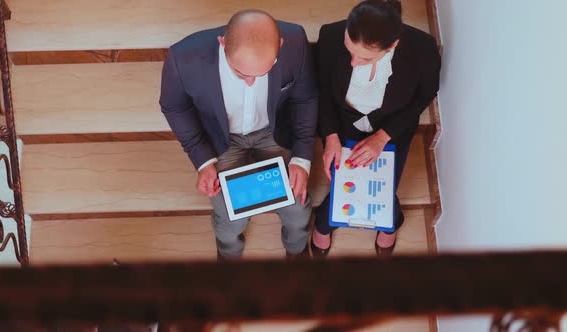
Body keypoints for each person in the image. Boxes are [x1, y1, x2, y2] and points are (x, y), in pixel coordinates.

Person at [159, 10, 318, 260]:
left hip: (273, 132)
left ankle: (297, 254)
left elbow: (305, 98)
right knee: (231, 217)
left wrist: (301, 158)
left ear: (281, 45)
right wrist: (203, 160)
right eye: (241, 74)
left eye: (262, 73)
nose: (251, 83)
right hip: (221, 139)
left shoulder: (296, 41)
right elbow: (174, 106)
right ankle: (229, 258)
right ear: (222, 43)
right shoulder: (183, 58)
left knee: (298, 209)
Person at [312, 0, 441, 257]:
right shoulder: (329, 36)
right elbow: (322, 90)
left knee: (384, 184)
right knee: (343, 176)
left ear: (392, 45)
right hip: (342, 122)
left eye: (365, 57)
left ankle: (336, 221)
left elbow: (424, 95)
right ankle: (328, 223)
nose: (353, 62)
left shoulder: (423, 49)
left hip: (391, 126)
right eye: (350, 50)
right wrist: (331, 135)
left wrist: (382, 137)